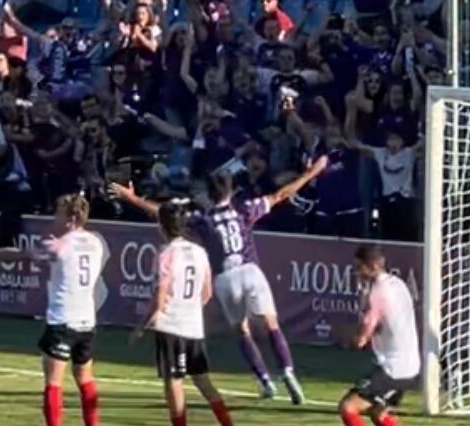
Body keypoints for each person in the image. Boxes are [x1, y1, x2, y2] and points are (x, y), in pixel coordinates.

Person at [110, 157, 329, 402]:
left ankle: (265, 381)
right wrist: (312, 172)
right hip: (250, 270)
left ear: (209, 194)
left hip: (226, 278)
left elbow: (165, 213)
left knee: (241, 330)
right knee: (271, 325)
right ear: (232, 190)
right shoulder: (245, 208)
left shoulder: (203, 218)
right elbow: (281, 194)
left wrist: (133, 198)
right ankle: (287, 371)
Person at [0, 194, 110, 426]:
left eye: (59, 213)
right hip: (86, 319)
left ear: (71, 218)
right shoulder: (96, 242)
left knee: (53, 381)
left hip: (62, 319)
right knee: (85, 377)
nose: (54, 218)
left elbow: (21, 256)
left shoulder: (58, 246)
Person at [139, 202, 241, 426]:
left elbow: (160, 294)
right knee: (203, 381)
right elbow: (206, 292)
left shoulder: (166, 254)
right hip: (194, 326)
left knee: (174, 384)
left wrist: (143, 324)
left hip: (171, 326)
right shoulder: (198, 251)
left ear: (161, 226)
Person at [338, 244, 424, 426]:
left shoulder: (378, 291)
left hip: (394, 367)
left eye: (360, 268)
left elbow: (365, 332)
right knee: (378, 411)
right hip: (410, 364)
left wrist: (353, 339)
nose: (357, 273)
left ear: (373, 266)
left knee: (348, 407)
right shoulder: (398, 284)